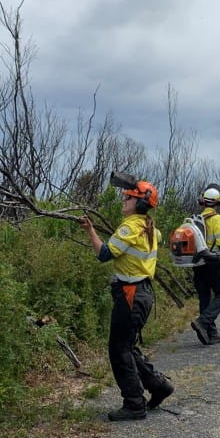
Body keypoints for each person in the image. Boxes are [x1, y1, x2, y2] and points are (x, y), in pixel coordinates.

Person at [78, 178, 173, 421]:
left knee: (119, 349)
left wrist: (90, 231)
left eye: (128, 197)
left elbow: (104, 254)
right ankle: (158, 386)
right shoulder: (151, 228)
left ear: (138, 203)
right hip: (142, 294)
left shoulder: (129, 228)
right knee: (127, 347)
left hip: (130, 294)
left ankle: (134, 404)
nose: (124, 199)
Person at [189, 183, 220, 345]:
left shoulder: (194, 220)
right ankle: (202, 323)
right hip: (213, 262)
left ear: (203, 202)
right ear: (218, 202)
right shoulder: (217, 219)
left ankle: (210, 333)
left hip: (197, 264)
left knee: (205, 297)